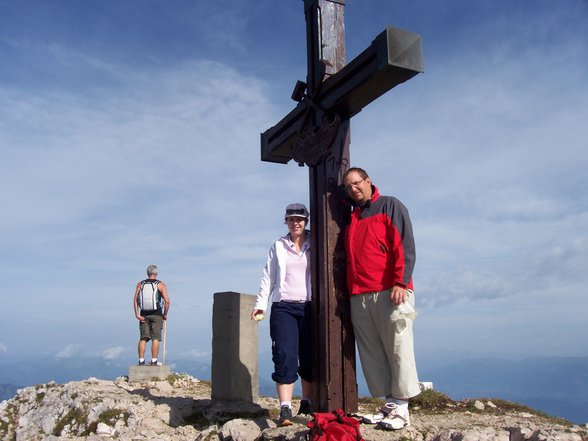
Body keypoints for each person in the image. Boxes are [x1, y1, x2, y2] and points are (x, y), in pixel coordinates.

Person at [342, 167, 421, 431]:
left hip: (390, 290)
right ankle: (389, 403)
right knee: (372, 351)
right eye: (349, 186)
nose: (354, 189)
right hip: (360, 294)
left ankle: (402, 407)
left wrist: (400, 281)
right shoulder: (353, 217)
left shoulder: (390, 205)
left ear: (368, 181)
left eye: (357, 183)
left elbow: (404, 244)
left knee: (398, 347)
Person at [252, 203, 313, 427]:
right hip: (284, 307)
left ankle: (306, 402)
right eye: (291, 219)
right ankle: (285, 409)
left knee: (309, 355)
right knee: (285, 355)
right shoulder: (278, 246)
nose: (295, 222)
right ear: (285, 222)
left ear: (306, 221)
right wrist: (261, 304)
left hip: (310, 307)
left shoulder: (316, 243)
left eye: (300, 219)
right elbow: (268, 277)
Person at [133, 264, 170, 366]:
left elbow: (135, 300)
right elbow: (167, 301)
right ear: (156, 273)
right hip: (157, 314)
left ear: (147, 273)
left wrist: (137, 314)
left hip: (143, 314)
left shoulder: (140, 284)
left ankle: (141, 361)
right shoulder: (160, 284)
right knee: (155, 338)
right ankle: (154, 361)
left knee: (143, 338)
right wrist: (165, 314)